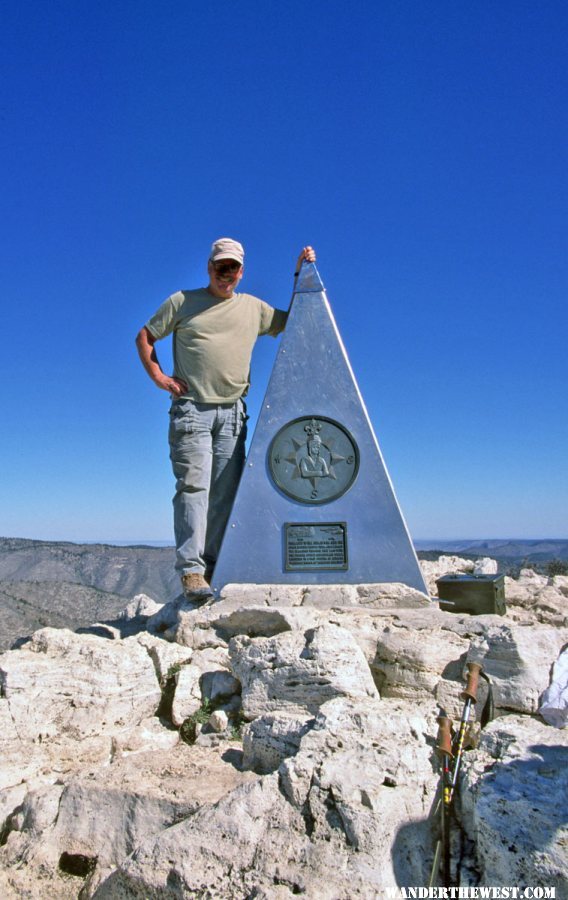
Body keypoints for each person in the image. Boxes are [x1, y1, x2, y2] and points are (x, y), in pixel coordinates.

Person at [135, 238, 316, 600]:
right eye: (220, 267)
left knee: (224, 494)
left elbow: (296, 320)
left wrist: (300, 273)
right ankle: (191, 570)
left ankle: (214, 567)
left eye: (232, 268)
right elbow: (145, 336)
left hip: (233, 413)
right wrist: (160, 379)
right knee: (194, 487)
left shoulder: (253, 308)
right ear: (209, 267)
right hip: (193, 410)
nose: (226, 274)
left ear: (241, 271)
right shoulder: (183, 302)